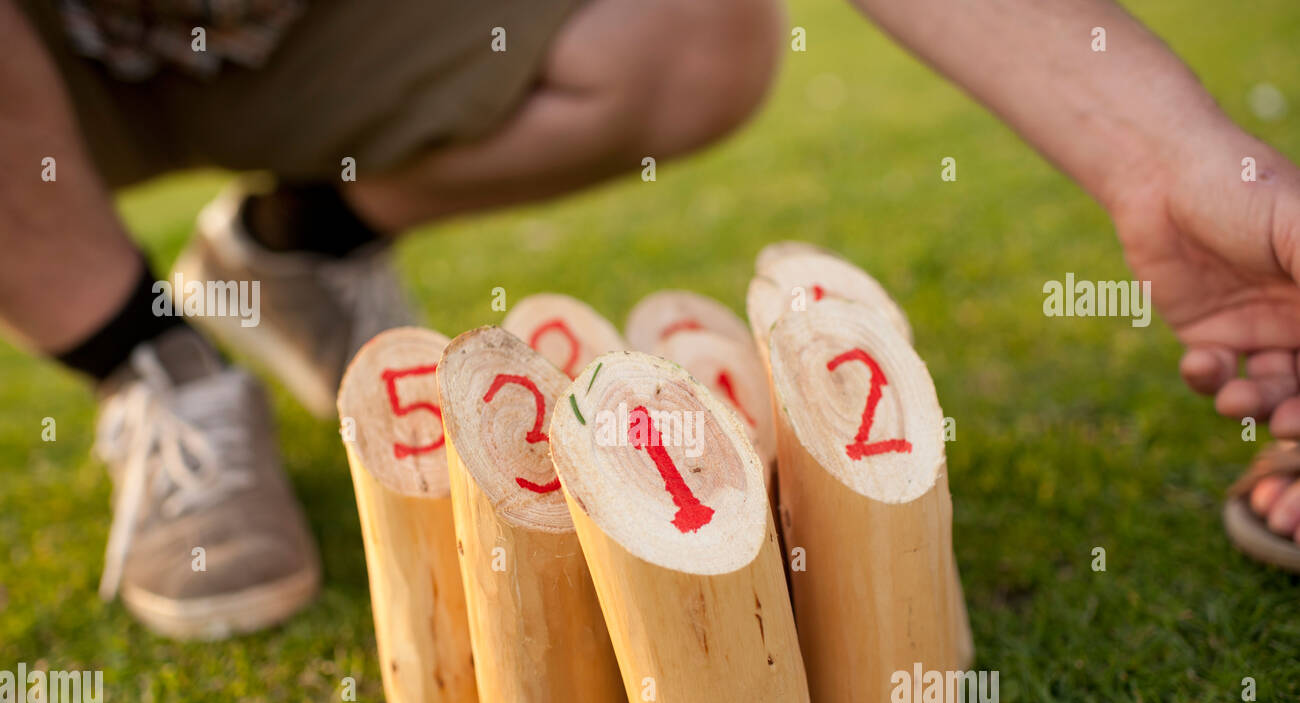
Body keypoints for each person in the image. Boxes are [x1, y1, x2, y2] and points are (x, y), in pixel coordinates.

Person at [3, 0, 1298, 639]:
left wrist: (1164, 159)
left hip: (287, 28)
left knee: (691, 23)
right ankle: (150, 361)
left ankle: (295, 245)